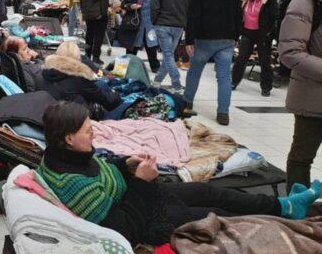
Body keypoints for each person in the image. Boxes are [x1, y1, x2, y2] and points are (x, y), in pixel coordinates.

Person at [37, 101, 322, 248]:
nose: (94, 132)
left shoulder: (69, 155)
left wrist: (127, 165)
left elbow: (105, 174)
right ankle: (282, 215)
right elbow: (123, 229)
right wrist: (141, 182)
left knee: (208, 190)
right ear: (69, 138)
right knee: (215, 212)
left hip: (142, 198)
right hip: (146, 220)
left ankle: (284, 206)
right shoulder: (71, 183)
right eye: (88, 131)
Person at [280, 0, 322, 189]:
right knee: (301, 158)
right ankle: (297, 214)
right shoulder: (305, 3)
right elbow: (291, 53)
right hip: (312, 100)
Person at [183, 0, 242, 125]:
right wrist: (236, 36)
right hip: (227, 39)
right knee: (224, 77)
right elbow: (239, 15)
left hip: (204, 38)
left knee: (195, 72)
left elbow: (193, 17)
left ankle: (187, 102)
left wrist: (189, 40)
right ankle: (223, 113)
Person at [231, 0, 278, 96]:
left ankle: (266, 87)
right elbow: (238, 12)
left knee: (264, 61)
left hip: (262, 33)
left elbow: (275, 17)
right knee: (241, 58)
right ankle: (234, 81)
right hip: (247, 32)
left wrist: (270, 33)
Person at [40, 41, 121, 112]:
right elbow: (106, 101)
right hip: (77, 118)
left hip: (56, 115)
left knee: (100, 85)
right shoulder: (79, 79)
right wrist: (116, 94)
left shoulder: (45, 73)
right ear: (78, 57)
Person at [151, 0, 190, 94]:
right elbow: (189, 6)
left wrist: (154, 21)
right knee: (169, 55)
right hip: (179, 25)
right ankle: (157, 81)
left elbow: (154, 5)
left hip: (163, 24)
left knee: (168, 56)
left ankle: (177, 85)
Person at [117, 0, 160, 72]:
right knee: (133, 45)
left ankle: (155, 66)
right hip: (136, 24)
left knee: (151, 46)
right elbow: (123, 5)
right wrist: (131, 6)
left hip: (150, 25)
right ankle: (128, 66)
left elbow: (158, 7)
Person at [80, 0, 112, 65]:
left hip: (88, 10)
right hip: (99, 11)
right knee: (99, 35)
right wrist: (103, 13)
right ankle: (96, 57)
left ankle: (87, 54)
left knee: (89, 33)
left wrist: (84, 11)